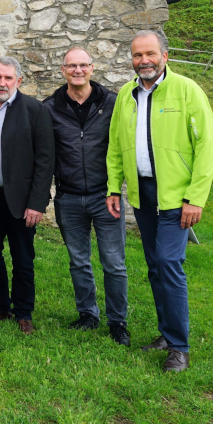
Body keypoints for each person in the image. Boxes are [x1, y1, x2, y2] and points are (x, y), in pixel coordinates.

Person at [106, 30, 213, 372]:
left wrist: (195, 198)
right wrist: (113, 188)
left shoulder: (187, 90)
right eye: (137, 55)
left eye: (150, 54)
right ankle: (167, 335)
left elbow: (207, 146)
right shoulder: (126, 94)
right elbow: (115, 145)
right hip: (143, 196)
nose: (144, 61)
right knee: (155, 266)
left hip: (177, 198)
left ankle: (179, 347)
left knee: (169, 263)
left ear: (164, 56)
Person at [43, 47, 129, 345]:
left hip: (106, 197)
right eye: (71, 66)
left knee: (114, 262)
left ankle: (118, 321)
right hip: (68, 197)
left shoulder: (112, 103)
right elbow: (44, 153)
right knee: (78, 261)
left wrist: (116, 187)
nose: (77, 70)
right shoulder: (50, 107)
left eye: (83, 65)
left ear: (92, 68)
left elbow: (123, 147)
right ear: (63, 70)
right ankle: (88, 315)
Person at [0, 57, 55, 335]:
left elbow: (45, 160)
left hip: (22, 200)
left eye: (8, 78)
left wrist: (37, 203)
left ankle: (24, 312)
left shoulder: (34, 109)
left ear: (18, 81)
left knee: (23, 258)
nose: (2, 83)